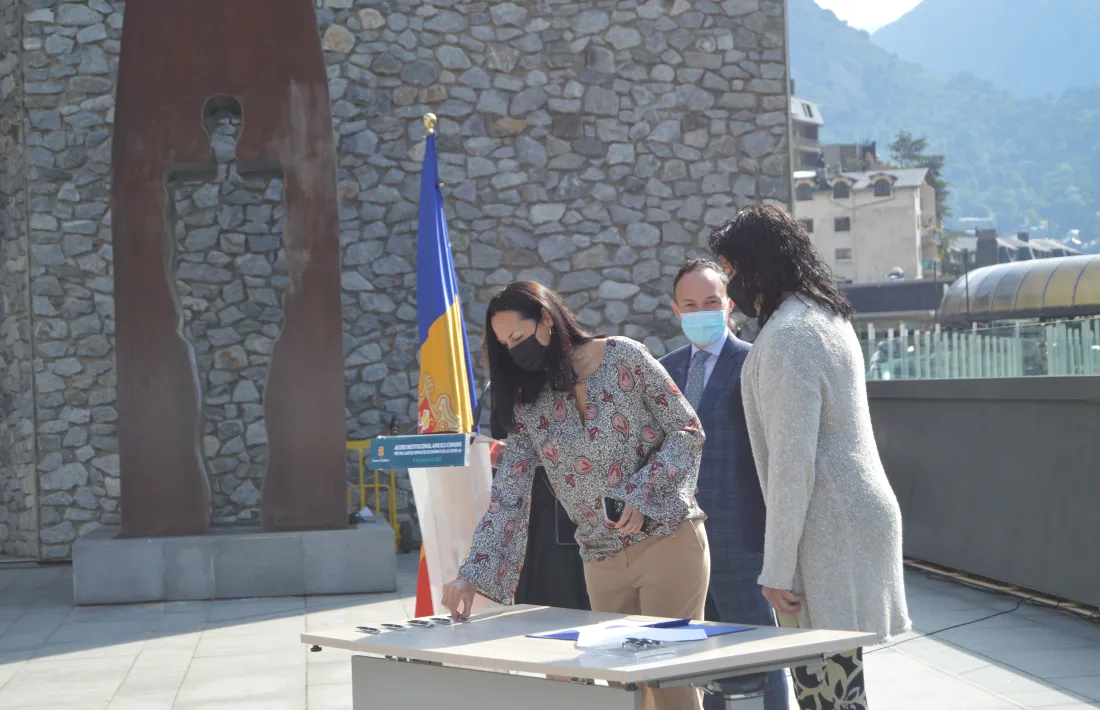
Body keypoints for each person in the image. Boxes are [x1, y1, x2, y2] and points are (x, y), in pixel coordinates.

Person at [443, 280, 710, 710]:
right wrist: (472, 573)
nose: (515, 351)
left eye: (519, 337)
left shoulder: (625, 355)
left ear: (546, 319)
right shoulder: (529, 404)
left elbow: (687, 430)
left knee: (669, 682)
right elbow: (509, 492)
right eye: (505, 344)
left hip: (668, 539)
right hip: (600, 559)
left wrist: (641, 494)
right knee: (622, 691)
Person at [709, 205, 911, 710]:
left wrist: (776, 569)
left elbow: (792, 464)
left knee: (825, 690)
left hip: (828, 524)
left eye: (732, 270)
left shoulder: (788, 338)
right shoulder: (823, 315)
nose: (731, 285)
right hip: (852, 512)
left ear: (759, 265)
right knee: (840, 682)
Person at [659, 260, 789, 710]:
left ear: (729, 304)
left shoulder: (755, 363)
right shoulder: (662, 372)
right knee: (705, 661)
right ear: (676, 309)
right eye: (690, 304)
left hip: (741, 541)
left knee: (756, 655)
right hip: (678, 545)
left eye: (711, 302)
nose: (701, 311)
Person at [478, 342, 590, 611]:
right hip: (520, 508)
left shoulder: (566, 384)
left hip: (561, 507)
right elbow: (491, 440)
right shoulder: (496, 390)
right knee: (530, 600)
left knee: (566, 596)